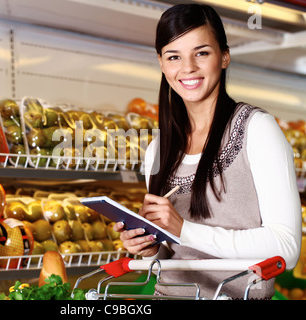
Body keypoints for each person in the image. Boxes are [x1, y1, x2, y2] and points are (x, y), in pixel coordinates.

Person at [114, 3, 301, 299]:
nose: (187, 68)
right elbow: (171, 256)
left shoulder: (257, 129)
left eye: (201, 53)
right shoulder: (158, 150)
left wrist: (183, 229)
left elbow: (286, 249)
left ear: (224, 57)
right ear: (161, 63)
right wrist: (149, 247)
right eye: (174, 56)